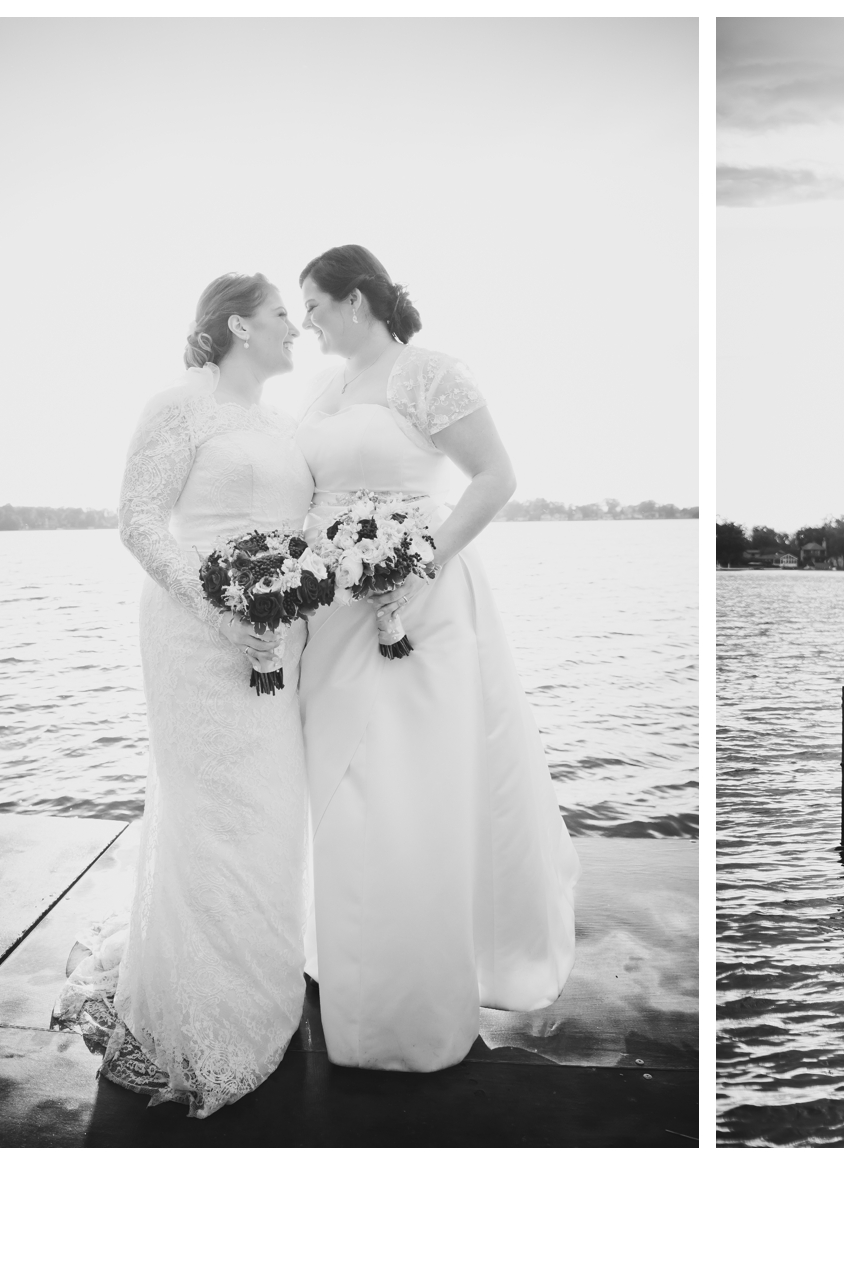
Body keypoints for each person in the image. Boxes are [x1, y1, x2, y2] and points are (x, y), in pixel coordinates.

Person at [293, 245, 577, 1072]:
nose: (305, 323)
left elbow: (496, 477)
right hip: (333, 612)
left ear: (354, 299)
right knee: (340, 791)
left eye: (312, 305)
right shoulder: (325, 391)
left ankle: (410, 1009)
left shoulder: (430, 373)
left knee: (407, 791)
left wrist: (418, 564)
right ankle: (348, 972)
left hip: (419, 603)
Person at [57, 273, 312, 1116]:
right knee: (212, 816)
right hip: (195, 637)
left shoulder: (281, 423)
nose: (294, 328)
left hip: (280, 639)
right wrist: (220, 610)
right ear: (239, 324)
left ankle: (263, 991)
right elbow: (137, 520)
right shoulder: (177, 406)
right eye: (282, 314)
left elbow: (299, 531)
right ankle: (208, 1021)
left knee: (270, 812)